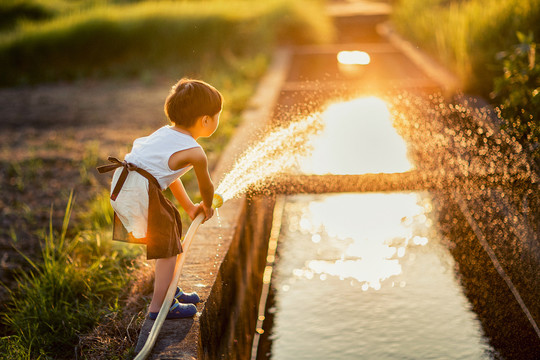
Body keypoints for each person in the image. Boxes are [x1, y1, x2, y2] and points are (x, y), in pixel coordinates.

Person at [97, 78, 222, 319]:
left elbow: (169, 175)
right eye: (217, 116)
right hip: (139, 189)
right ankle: (159, 308)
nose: (217, 121)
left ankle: (169, 290)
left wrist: (188, 207)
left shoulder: (167, 134)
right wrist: (207, 206)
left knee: (171, 229)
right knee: (167, 248)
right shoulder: (196, 153)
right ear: (206, 120)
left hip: (125, 183)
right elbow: (207, 186)